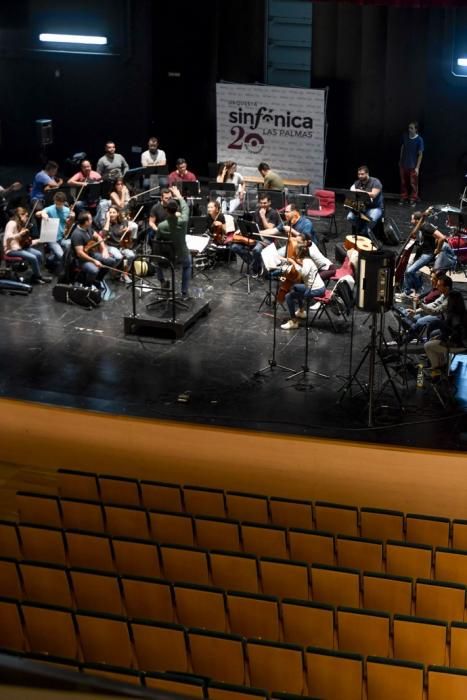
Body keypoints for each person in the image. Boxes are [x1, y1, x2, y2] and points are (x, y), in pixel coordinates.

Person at [390, 274, 452, 344]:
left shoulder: (450, 300)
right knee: (413, 318)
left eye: (439, 285)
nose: (437, 287)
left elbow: (435, 311)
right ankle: (407, 333)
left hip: (446, 322)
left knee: (419, 322)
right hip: (438, 315)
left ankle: (405, 337)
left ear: (447, 288)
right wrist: (415, 311)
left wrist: (420, 304)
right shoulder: (444, 295)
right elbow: (433, 305)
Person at [154, 186, 192, 299]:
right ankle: (184, 291)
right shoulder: (183, 221)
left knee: (156, 261)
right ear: (176, 210)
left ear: (166, 210)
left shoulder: (161, 226)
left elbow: (158, 240)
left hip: (167, 257)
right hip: (181, 254)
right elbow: (186, 208)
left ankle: (163, 282)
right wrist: (179, 196)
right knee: (188, 265)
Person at [400, 210, 446, 298]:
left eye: (412, 219)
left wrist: (438, 249)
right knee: (407, 268)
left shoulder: (427, 227)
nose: (410, 221)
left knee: (409, 271)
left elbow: (442, 238)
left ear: (417, 220)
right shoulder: (421, 226)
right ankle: (412, 289)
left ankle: (415, 289)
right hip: (421, 252)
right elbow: (415, 233)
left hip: (427, 254)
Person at [280, 244, 326, 330]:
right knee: (295, 287)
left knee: (288, 296)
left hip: (317, 289)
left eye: (296, 250)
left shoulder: (307, 262)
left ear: (300, 252)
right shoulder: (307, 260)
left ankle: (293, 322)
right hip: (314, 286)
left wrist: (294, 263)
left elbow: (303, 274)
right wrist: (298, 262)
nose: (295, 251)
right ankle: (301, 311)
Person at [424, 291, 467, 378]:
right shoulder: (463, 312)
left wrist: (440, 338)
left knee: (428, 345)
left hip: (460, 345)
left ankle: (437, 369)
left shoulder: (454, 316)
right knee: (434, 341)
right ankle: (441, 366)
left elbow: (453, 335)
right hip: (461, 342)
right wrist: (439, 337)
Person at [3, 207, 51, 284]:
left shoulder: (20, 225)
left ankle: (35, 275)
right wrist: (19, 234)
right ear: (20, 215)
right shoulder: (11, 223)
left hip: (20, 248)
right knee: (33, 257)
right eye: (26, 216)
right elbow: (8, 237)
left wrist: (40, 240)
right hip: (11, 250)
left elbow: (27, 243)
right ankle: (38, 277)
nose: (27, 218)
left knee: (38, 254)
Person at [70, 210, 116, 288]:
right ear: (86, 222)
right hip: (81, 260)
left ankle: (97, 279)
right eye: (90, 219)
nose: (92, 220)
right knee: (94, 270)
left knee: (111, 261)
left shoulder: (88, 228)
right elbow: (80, 254)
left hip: (92, 254)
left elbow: (98, 237)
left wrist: (104, 249)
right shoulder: (77, 234)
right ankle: (88, 285)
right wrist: (94, 261)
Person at [35, 191, 74, 270]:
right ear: (54, 201)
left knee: (71, 245)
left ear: (64, 202)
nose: (58, 205)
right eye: (57, 203)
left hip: (61, 237)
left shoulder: (67, 210)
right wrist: (43, 214)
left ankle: (50, 259)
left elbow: (69, 224)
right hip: (51, 238)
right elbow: (38, 213)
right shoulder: (50, 208)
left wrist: (72, 218)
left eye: (60, 204)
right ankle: (61, 270)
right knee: (61, 255)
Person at [346, 165, 383, 244]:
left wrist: (359, 191)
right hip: (362, 207)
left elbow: (373, 194)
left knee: (372, 219)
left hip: (374, 207)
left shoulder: (375, 182)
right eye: (359, 174)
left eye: (362, 174)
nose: (360, 176)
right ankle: (362, 229)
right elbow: (352, 193)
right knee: (350, 217)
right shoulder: (357, 183)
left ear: (367, 173)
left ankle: (364, 233)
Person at [101, 206, 136, 283]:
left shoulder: (123, 222)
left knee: (131, 255)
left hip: (122, 245)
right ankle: (114, 272)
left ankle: (124, 274)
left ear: (117, 214)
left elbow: (126, 236)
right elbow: (104, 234)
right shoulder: (106, 223)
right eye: (110, 213)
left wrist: (127, 231)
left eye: (114, 212)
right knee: (119, 257)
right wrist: (108, 220)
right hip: (110, 246)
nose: (112, 214)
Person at [250, 194, 282, 276]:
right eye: (261, 203)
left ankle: (255, 268)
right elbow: (253, 224)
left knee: (256, 250)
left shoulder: (274, 213)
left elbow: (269, 229)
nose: (263, 205)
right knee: (236, 246)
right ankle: (256, 262)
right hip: (257, 235)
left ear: (269, 202)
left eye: (265, 203)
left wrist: (263, 216)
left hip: (268, 238)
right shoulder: (257, 211)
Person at [399, 122, 424, 206]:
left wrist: (417, 167)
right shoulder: (405, 137)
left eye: (411, 128)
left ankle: (413, 198)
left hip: (413, 165)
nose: (409, 130)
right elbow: (402, 147)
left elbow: (420, 154)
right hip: (404, 164)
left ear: (416, 129)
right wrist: (400, 160)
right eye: (409, 128)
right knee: (403, 182)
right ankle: (404, 197)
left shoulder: (419, 139)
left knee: (413, 183)